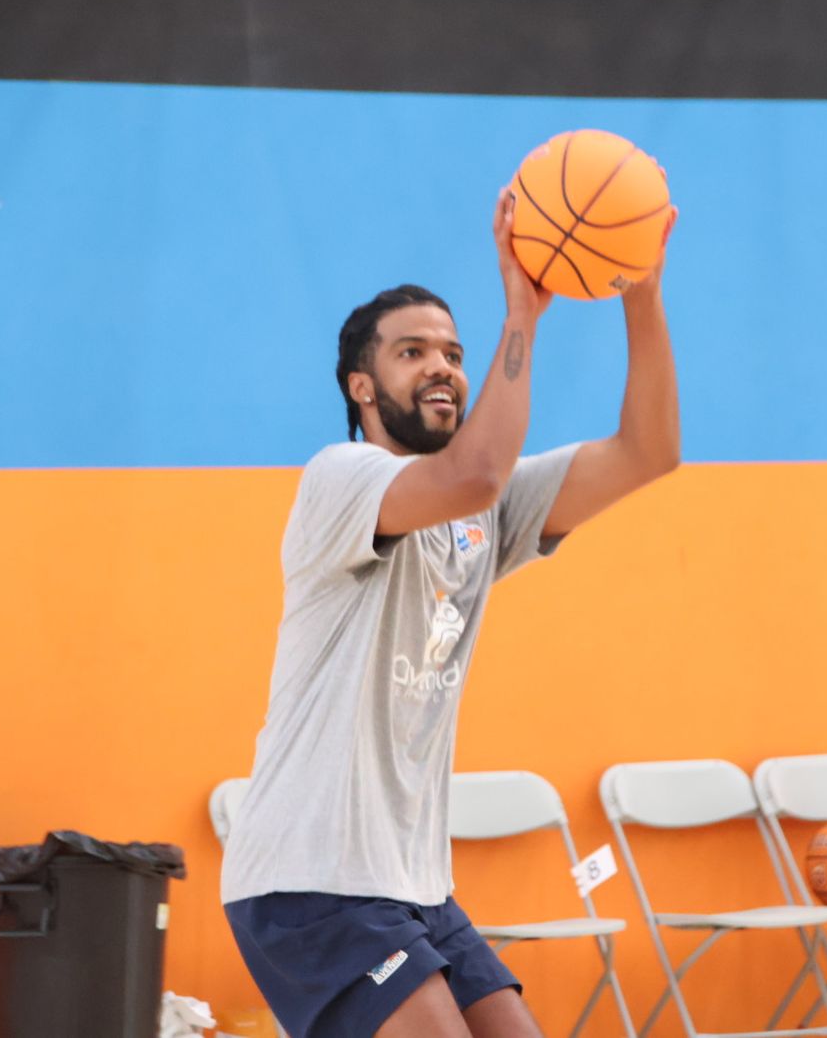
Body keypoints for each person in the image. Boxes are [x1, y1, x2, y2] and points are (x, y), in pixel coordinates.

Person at [221, 187, 680, 1038]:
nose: (442, 366)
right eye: (413, 352)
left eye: (453, 352)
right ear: (362, 386)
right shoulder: (341, 477)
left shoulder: (484, 512)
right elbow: (474, 473)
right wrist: (522, 313)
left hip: (415, 885)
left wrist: (640, 289)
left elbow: (649, 452)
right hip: (310, 879)